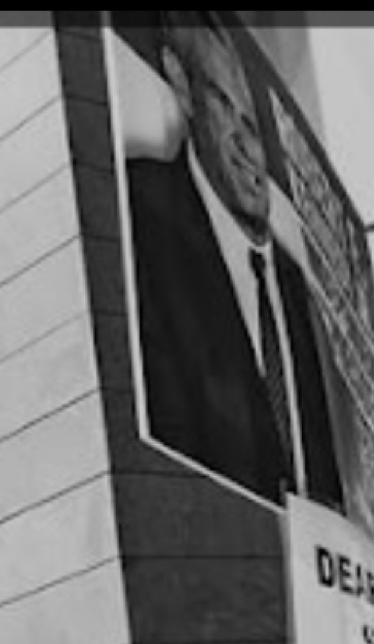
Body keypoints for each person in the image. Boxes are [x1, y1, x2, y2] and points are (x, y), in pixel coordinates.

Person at [124, 11, 340, 509]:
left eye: (254, 126)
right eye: (225, 105)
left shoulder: (292, 284)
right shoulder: (141, 216)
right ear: (180, 84)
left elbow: (322, 474)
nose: (249, 151)